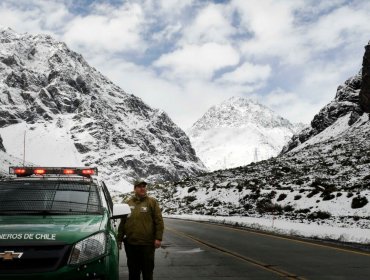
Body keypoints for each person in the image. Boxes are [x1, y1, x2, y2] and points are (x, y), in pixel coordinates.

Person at [117, 179, 164, 280]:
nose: (142, 189)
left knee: (147, 272)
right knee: (133, 272)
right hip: (131, 245)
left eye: (144, 186)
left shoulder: (152, 202)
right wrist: (119, 239)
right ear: (135, 189)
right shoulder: (128, 203)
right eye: (140, 187)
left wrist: (158, 238)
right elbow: (123, 222)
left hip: (147, 245)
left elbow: (159, 221)